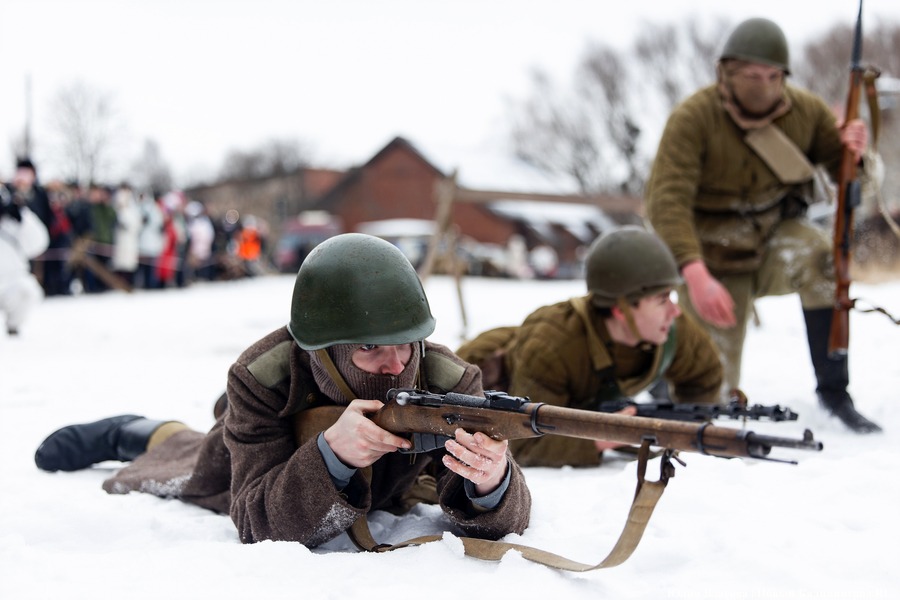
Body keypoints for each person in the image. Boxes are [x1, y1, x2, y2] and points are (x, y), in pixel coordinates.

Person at [34, 233, 531, 547]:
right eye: (369, 350)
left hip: (390, 484)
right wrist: (331, 456)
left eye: (407, 345)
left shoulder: (449, 381)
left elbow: (495, 515)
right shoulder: (263, 375)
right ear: (323, 351)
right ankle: (132, 431)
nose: (395, 364)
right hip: (256, 447)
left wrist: (491, 483)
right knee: (195, 464)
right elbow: (254, 521)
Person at [644, 18, 880, 433]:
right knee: (708, 402)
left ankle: (833, 393)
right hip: (709, 253)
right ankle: (668, 382)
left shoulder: (805, 111)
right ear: (726, 72)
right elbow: (666, 202)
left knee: (823, 259)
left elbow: (850, 178)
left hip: (774, 240)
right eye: (752, 75)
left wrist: (856, 154)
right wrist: (694, 274)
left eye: (773, 76)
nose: (763, 85)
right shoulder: (694, 118)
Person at [456, 227, 723, 468]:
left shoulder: (669, 327)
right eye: (662, 299)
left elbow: (704, 381)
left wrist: (680, 438)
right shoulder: (552, 344)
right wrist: (604, 438)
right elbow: (525, 445)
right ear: (622, 310)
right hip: (479, 377)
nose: (674, 310)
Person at [1, 183, 49, 335]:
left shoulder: (13, 220)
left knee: (28, 291)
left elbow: (39, 244)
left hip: (11, 279)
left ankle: (13, 326)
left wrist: (22, 216)